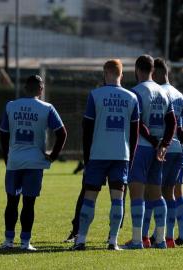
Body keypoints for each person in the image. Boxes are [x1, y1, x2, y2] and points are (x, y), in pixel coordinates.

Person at [71, 59, 139, 251]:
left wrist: (87, 158)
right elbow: (134, 134)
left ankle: (81, 240)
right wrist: (130, 158)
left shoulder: (95, 95)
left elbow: (87, 128)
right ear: (121, 75)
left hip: (98, 154)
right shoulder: (132, 97)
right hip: (121, 155)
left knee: (90, 197)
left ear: (105, 73)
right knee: (117, 198)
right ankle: (113, 242)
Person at [0, 75, 67, 251]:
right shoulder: (47, 108)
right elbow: (62, 133)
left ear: (24, 88)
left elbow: (4, 134)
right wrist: (53, 155)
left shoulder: (11, 106)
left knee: (11, 202)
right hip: (35, 162)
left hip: (14, 161)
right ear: (40, 89)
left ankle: (8, 241)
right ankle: (25, 242)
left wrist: (7, 157)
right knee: (29, 204)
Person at [122, 54, 176, 249]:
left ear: (137, 70)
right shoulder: (163, 92)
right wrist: (164, 144)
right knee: (156, 194)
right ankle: (160, 240)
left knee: (136, 194)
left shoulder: (135, 92)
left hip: (142, 148)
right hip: (158, 150)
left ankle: (137, 240)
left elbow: (138, 124)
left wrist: (154, 142)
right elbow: (172, 122)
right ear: (153, 70)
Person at [150, 58, 183, 247]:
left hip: (167, 148)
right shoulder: (179, 94)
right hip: (182, 148)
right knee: (175, 190)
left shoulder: (160, 92)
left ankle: (160, 235)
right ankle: (182, 235)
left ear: (156, 73)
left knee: (158, 191)